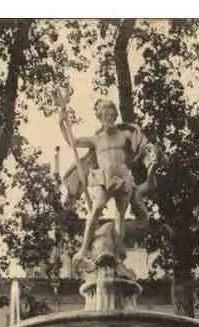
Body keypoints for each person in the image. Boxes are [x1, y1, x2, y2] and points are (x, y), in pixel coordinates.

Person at [59, 98, 157, 264]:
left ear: (115, 116)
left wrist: (150, 154)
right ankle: (84, 249)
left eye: (112, 115)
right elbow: (72, 142)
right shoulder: (96, 139)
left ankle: (117, 252)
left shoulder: (125, 135)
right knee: (96, 211)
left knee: (120, 216)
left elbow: (143, 146)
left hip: (123, 176)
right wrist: (61, 122)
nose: (109, 118)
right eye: (106, 115)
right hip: (105, 178)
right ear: (100, 117)